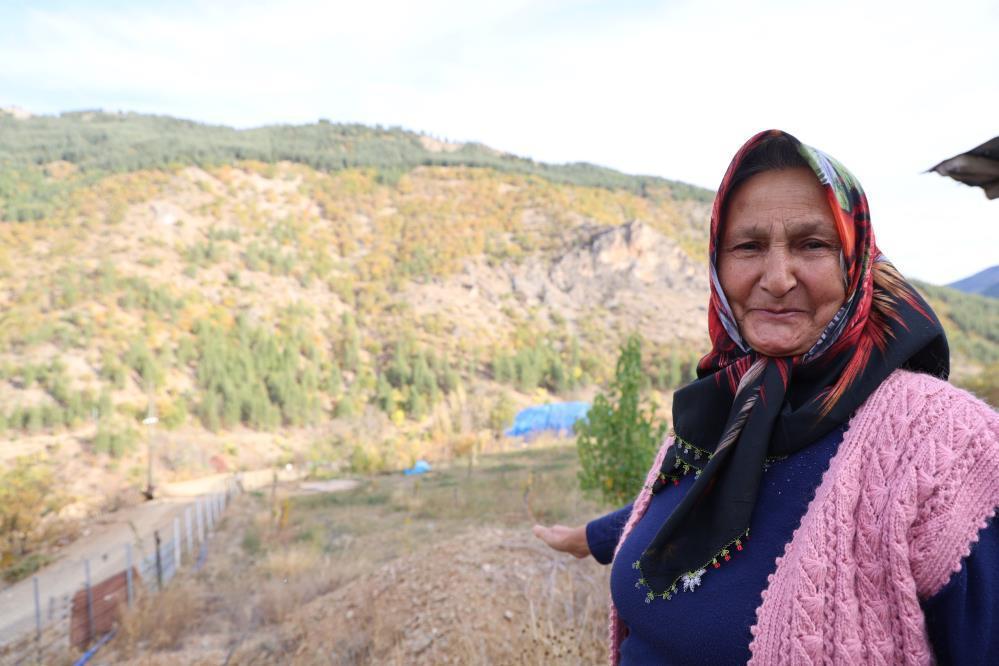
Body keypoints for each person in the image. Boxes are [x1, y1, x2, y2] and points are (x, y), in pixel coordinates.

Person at [533, 130, 999, 665]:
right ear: (718, 264)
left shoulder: (949, 447)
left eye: (813, 244)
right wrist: (594, 536)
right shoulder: (726, 405)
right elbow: (701, 498)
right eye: (748, 247)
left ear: (855, 260)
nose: (776, 279)